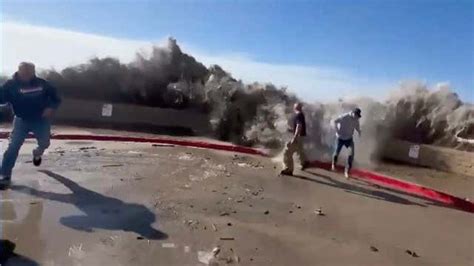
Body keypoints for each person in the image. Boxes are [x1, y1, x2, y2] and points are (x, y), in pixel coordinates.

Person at [0, 62, 61, 186]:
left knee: (44, 143)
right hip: (21, 120)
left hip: (41, 120)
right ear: (19, 71)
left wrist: (50, 107)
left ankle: (37, 153)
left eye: (30, 72)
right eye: (25, 71)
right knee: (13, 147)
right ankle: (5, 175)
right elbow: (2, 99)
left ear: (34, 72)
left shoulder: (42, 84)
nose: (27, 75)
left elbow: (56, 98)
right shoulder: (10, 85)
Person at [280, 102, 309, 176]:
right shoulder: (301, 115)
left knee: (287, 152)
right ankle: (304, 163)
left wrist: (295, 137)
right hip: (301, 136)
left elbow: (299, 126)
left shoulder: (298, 115)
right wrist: (290, 130)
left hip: (298, 137)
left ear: (295, 108)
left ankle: (288, 169)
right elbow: (298, 126)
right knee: (299, 150)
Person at [332, 108, 361, 178]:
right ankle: (333, 164)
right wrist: (337, 131)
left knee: (351, 154)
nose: (357, 117)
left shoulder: (356, 119)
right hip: (340, 138)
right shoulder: (344, 117)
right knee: (336, 152)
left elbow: (357, 127)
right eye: (356, 115)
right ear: (353, 113)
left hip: (349, 139)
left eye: (358, 116)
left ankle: (347, 171)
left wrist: (359, 131)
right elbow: (334, 121)